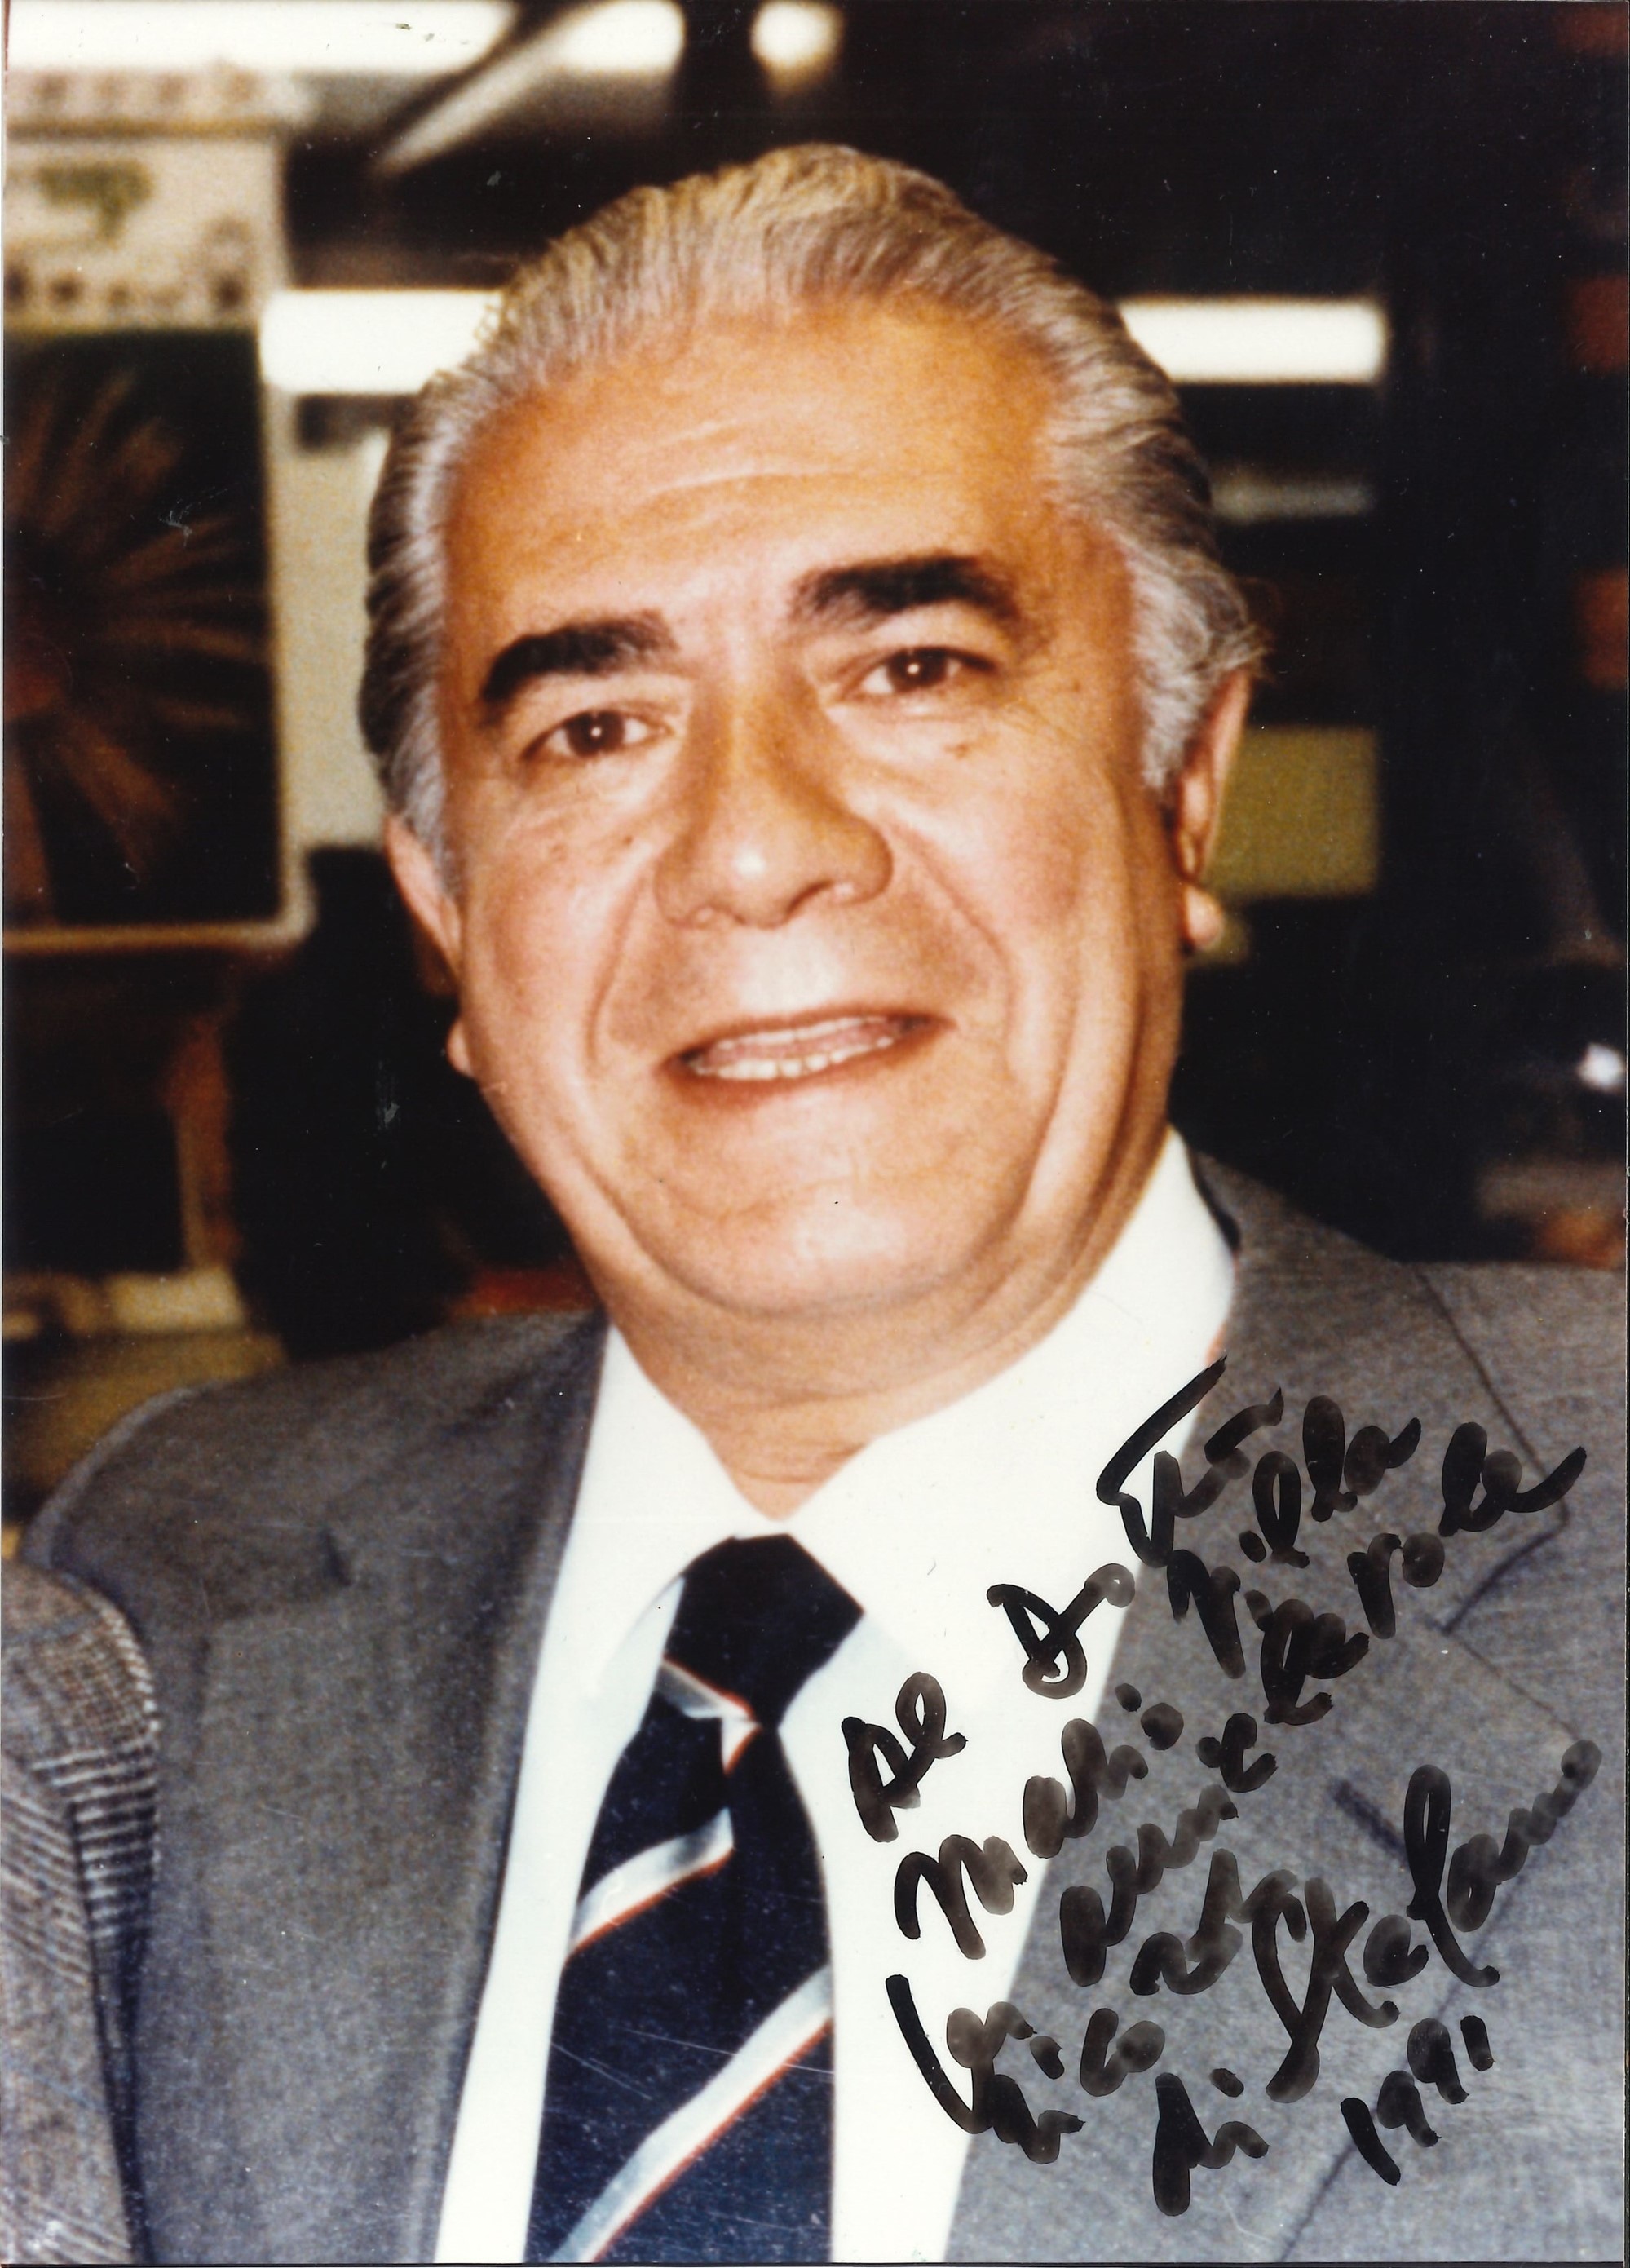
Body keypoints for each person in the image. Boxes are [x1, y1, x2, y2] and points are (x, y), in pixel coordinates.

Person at [15, 146, 1623, 2265]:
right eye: (595, 725)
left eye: (912, 669)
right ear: (450, 916)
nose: (755, 847)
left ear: (1184, 788)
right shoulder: (157, 1612)